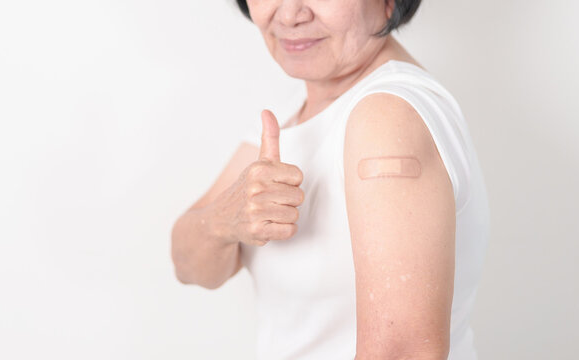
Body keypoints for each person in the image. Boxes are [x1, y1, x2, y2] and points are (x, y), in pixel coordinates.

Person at [170, 0, 490, 359]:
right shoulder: (297, 110)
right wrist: (222, 222)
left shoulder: (385, 117)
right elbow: (187, 264)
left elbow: (403, 353)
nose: (290, 14)